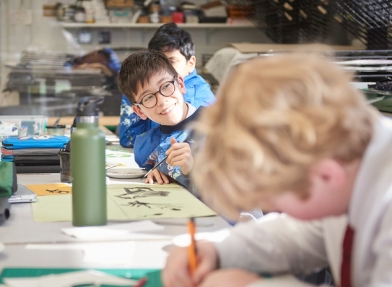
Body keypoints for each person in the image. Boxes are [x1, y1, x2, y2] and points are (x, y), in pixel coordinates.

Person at [161, 52, 392, 287]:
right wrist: (217, 251)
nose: (273, 209)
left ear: (327, 175)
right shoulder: (343, 169)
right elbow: (300, 234)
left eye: (272, 201)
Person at [118, 49, 207, 188]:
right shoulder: (148, 146)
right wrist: (157, 173)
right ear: (139, 111)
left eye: (166, 86)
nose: (162, 100)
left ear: (181, 84)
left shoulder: (218, 127)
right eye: (148, 97)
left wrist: (193, 169)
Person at [119, 23, 215, 148]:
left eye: (171, 61)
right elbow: (128, 138)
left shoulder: (195, 98)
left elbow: (173, 149)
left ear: (190, 63)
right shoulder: (150, 86)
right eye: (156, 63)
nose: (161, 69)